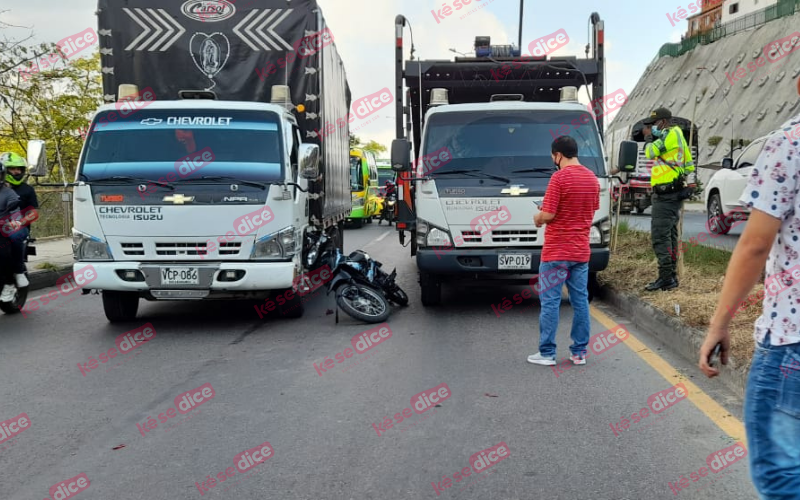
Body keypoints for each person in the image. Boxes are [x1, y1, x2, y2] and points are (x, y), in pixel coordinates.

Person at [699, 76, 800, 499]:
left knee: (782, 479)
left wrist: (719, 323)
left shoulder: (788, 143)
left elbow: (755, 243)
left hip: (792, 340)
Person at [528, 135, 600, 366]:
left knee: (550, 302)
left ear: (558, 155)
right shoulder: (592, 179)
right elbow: (589, 209)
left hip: (556, 252)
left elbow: (548, 214)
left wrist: (538, 217)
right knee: (580, 302)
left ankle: (547, 353)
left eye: (553, 157)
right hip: (581, 252)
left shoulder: (558, 178)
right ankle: (579, 353)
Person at [641, 107, 694, 291]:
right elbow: (688, 166)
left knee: (660, 236)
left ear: (663, 122)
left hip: (666, 195)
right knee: (670, 235)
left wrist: (649, 138)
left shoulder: (668, 134)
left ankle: (666, 278)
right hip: (673, 192)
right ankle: (670, 275)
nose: (652, 127)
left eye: (654, 124)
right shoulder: (679, 136)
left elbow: (649, 153)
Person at [1, 152, 38, 288]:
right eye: (12, 168)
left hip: (17, 227)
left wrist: (20, 222)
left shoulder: (27, 189)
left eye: (19, 169)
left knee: (15, 236)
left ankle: (18, 271)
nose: (16, 172)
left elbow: (34, 212)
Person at [0, 160, 22, 303]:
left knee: (3, 252)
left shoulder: (8, 193)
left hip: (2, 229)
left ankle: (9, 283)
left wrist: (14, 220)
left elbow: (15, 211)